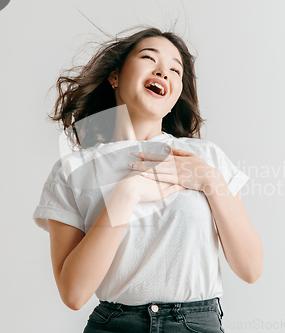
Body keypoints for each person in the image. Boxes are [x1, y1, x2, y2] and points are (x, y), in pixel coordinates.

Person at [32, 26, 263, 333]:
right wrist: (127, 193)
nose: (163, 71)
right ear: (115, 76)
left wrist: (209, 180)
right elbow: (74, 293)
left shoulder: (205, 158)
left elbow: (250, 269)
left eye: (175, 70)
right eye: (148, 58)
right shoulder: (74, 169)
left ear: (177, 94)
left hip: (195, 324)